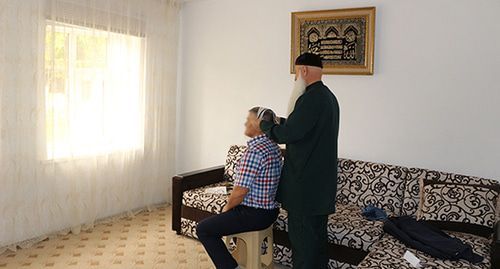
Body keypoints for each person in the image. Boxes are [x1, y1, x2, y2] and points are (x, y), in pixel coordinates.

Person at [259, 52, 340, 269]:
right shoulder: (328, 97)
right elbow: (304, 128)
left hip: (305, 189)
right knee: (317, 244)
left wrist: (267, 126)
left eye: (296, 74)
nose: (296, 79)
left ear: (303, 71)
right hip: (320, 189)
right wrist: (281, 121)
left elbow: (288, 134)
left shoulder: (311, 98)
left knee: (303, 246)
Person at [196, 107, 283, 269]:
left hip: (253, 214)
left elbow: (240, 191)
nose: (245, 123)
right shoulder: (274, 147)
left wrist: (227, 208)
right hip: (270, 212)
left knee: (203, 229)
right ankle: (240, 257)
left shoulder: (255, 151)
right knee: (221, 220)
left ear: (259, 124)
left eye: (248, 120)